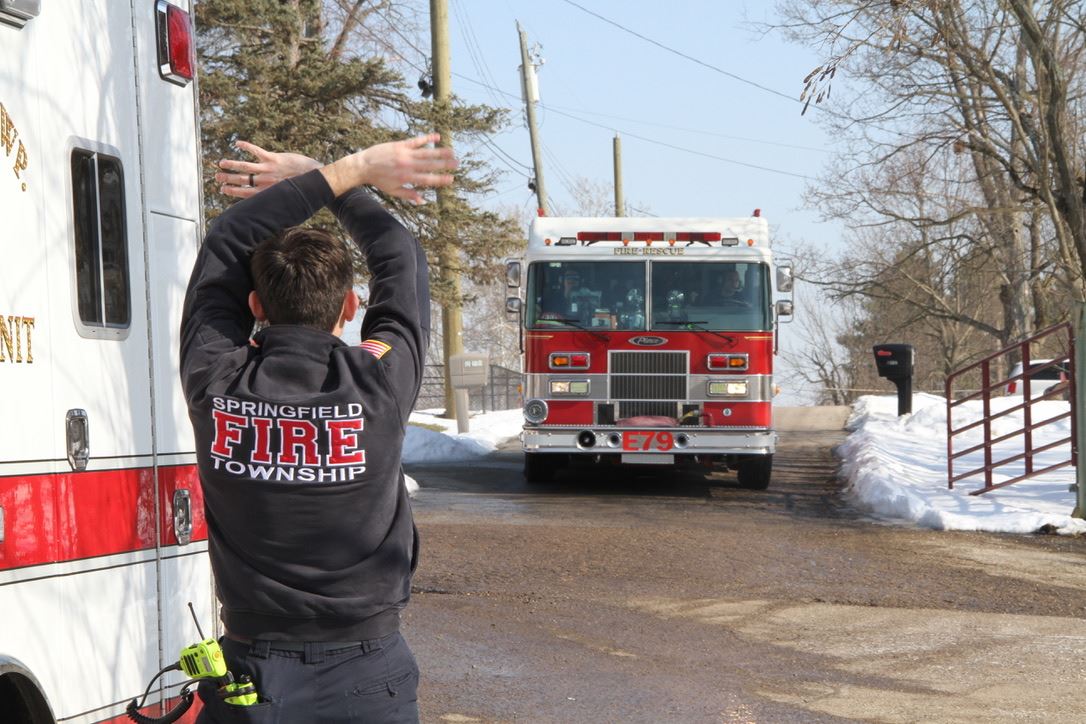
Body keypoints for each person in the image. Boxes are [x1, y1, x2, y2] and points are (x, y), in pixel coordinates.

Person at [181, 134, 456, 723]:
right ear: (350, 306)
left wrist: (340, 173)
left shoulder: (216, 381)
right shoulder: (377, 384)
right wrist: (338, 177)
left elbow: (226, 241)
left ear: (255, 306)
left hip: (251, 674)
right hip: (367, 675)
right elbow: (400, 257)